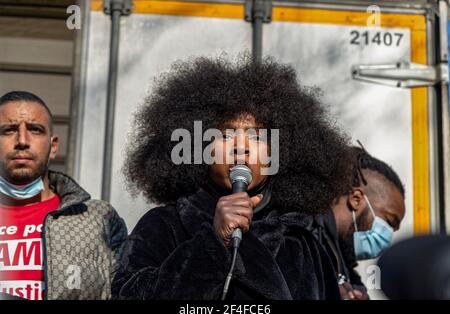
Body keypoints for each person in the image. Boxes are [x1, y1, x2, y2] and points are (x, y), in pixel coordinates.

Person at [112, 55, 354, 300]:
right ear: (200, 147)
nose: (241, 147)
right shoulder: (163, 226)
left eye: (257, 137)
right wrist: (213, 244)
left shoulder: (301, 242)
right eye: (226, 135)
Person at [0, 91, 127, 300]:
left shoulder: (98, 219)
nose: (22, 140)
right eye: (9, 130)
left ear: (53, 147)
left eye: (35, 129)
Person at [323, 146, 406, 300]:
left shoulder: (341, 260)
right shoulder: (296, 241)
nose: (387, 235)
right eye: (389, 221)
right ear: (356, 199)